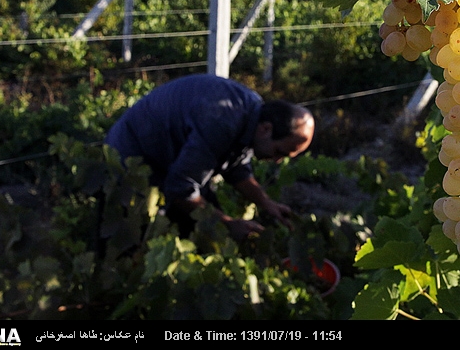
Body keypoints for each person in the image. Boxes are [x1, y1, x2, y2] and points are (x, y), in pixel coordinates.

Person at [104, 74, 315, 239]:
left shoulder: (254, 113)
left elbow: (237, 166)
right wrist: (228, 224)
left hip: (171, 159)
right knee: (127, 237)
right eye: (279, 152)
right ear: (266, 129)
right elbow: (180, 189)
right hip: (131, 156)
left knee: (201, 225)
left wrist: (267, 203)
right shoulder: (222, 121)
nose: (277, 160)